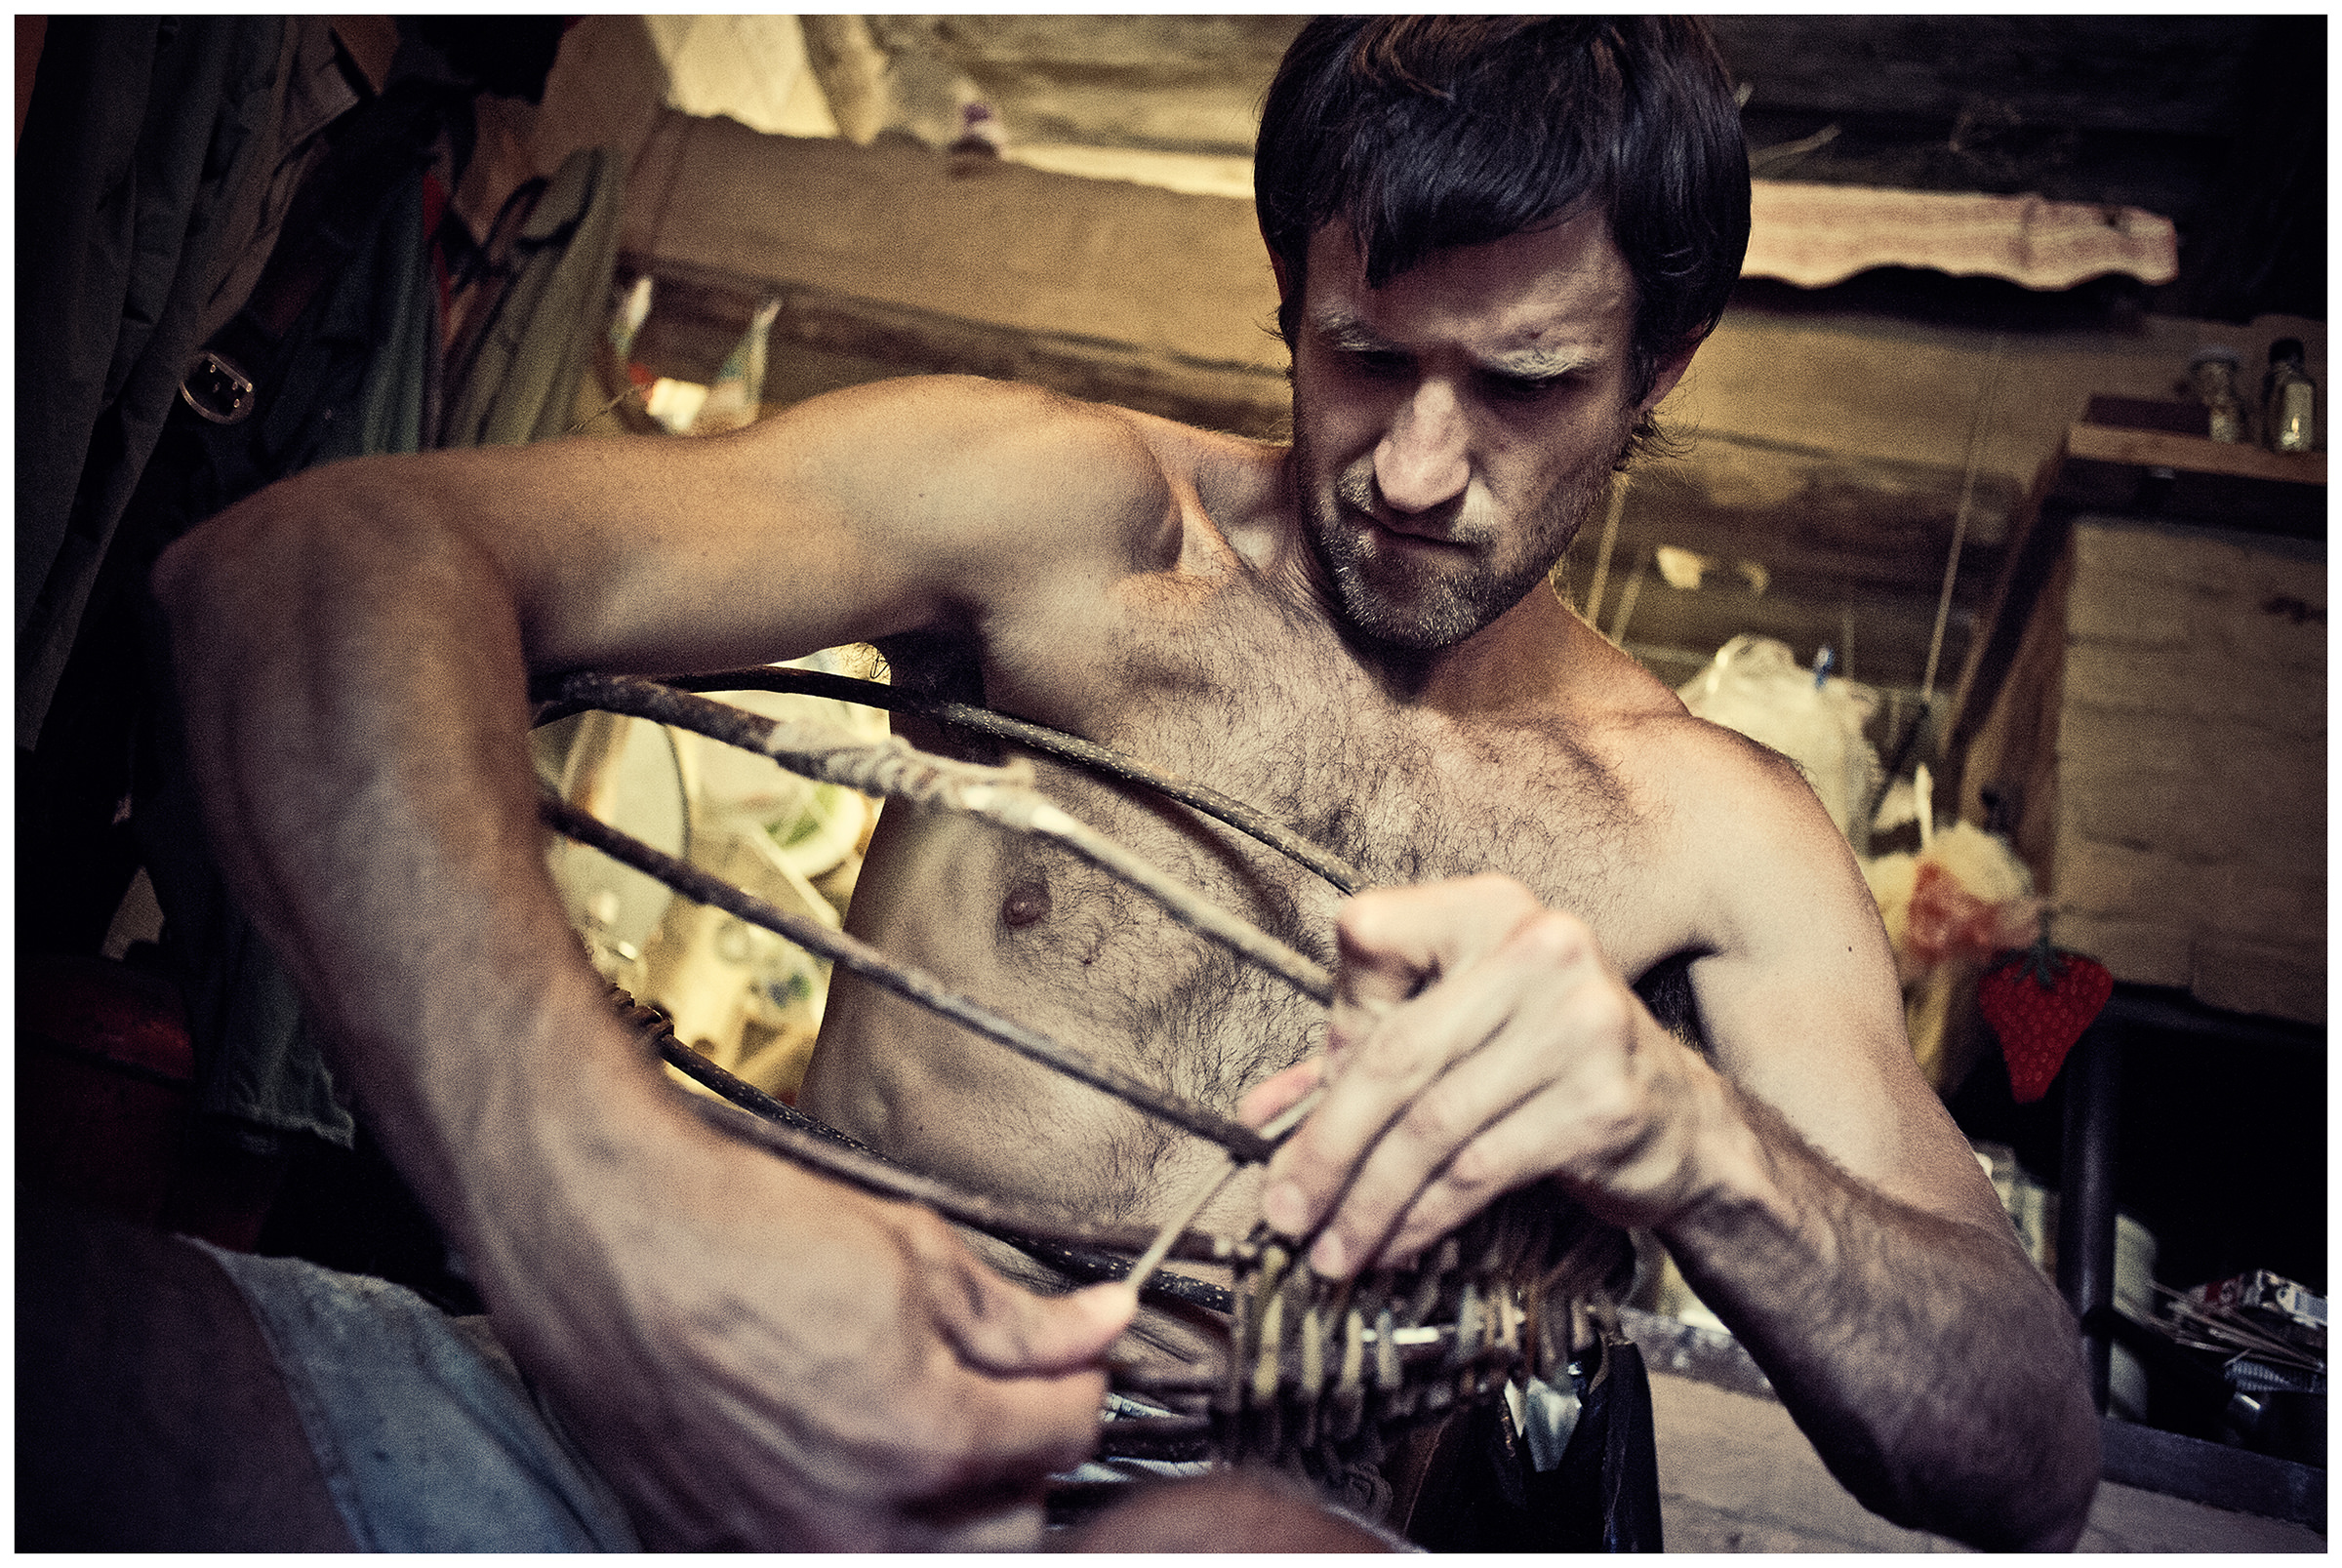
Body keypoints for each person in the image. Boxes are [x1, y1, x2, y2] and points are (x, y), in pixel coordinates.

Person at [127, 15, 2097, 1553]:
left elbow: (2024, 1447)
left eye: (1521, 385)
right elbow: (312, 571)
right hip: (723, 1427)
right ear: (1289, 303)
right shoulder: (1072, 518)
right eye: (1359, 357)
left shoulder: (1714, 828)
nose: (1414, 466)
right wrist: (616, 1225)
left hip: (1218, 1534)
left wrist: (1687, 1136)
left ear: (1657, 368)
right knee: (93, 1366)